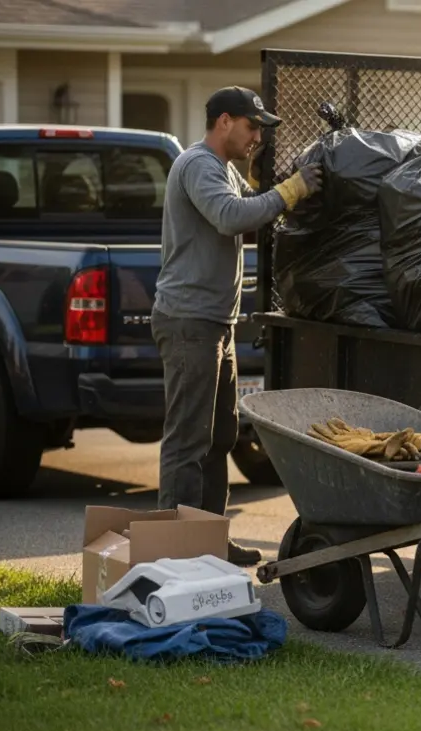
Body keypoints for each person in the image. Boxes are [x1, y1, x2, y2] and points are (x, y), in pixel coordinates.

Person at [151, 86, 322, 567]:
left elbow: (252, 210)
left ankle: (207, 542)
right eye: (252, 128)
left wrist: (276, 190)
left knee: (220, 437)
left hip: (214, 324)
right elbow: (231, 217)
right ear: (223, 121)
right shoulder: (198, 165)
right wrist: (290, 190)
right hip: (189, 323)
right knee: (188, 439)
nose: (257, 138)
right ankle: (174, 553)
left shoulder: (222, 168)